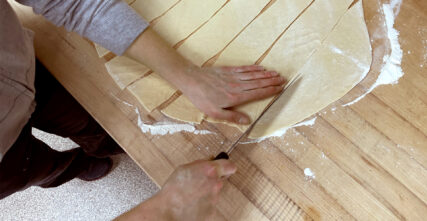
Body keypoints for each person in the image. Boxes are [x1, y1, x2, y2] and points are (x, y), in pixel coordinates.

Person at [0, 0, 285, 219]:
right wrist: (163, 212)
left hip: (21, 70)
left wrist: (187, 74)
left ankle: (96, 151)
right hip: (5, 164)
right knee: (34, 168)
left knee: (91, 125)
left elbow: (73, 3)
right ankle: (69, 169)